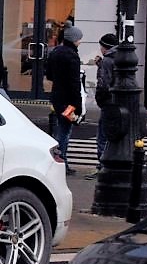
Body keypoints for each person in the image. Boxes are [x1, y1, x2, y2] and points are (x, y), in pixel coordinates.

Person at [44, 25, 84, 175]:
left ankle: (58, 159)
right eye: (79, 39)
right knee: (65, 131)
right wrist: (78, 105)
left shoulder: (55, 53)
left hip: (57, 97)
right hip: (68, 100)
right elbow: (74, 83)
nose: (80, 42)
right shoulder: (72, 57)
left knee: (61, 128)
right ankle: (60, 160)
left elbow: (49, 75)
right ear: (73, 39)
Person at [85, 32, 120, 178]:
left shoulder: (107, 61)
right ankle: (111, 165)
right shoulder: (119, 57)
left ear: (105, 47)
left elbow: (104, 82)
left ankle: (103, 166)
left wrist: (100, 98)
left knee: (102, 136)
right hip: (117, 102)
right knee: (112, 134)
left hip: (108, 102)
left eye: (101, 46)